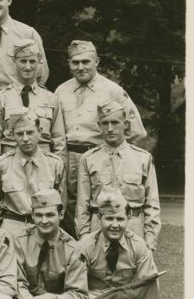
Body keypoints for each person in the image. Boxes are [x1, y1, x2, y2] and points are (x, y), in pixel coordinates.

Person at [56, 41, 148, 231]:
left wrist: (117, 159)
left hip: (99, 160)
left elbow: (136, 132)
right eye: (75, 62)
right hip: (68, 159)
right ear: (69, 63)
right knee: (70, 210)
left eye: (86, 61)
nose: (80, 67)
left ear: (96, 61)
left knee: (102, 208)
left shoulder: (112, 90)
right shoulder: (60, 91)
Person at [76, 101, 160, 251]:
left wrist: (149, 243)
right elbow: (82, 206)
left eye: (115, 122)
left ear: (126, 124)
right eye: (105, 123)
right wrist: (85, 240)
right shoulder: (88, 159)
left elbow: (152, 205)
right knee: (98, 273)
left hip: (133, 226)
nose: (109, 128)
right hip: (98, 227)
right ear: (99, 125)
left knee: (133, 273)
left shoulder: (143, 158)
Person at [0, 113, 66, 238]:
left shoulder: (55, 164)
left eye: (30, 132)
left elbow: (61, 203)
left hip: (44, 227)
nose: (25, 139)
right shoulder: (1, 164)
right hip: (12, 227)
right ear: (12, 135)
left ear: (40, 132)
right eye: (19, 134)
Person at [0, 39, 65, 156]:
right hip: (11, 165)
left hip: (44, 164)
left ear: (39, 62)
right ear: (14, 61)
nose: (28, 67)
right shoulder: (0, 100)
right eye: (23, 61)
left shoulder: (51, 99)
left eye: (32, 61)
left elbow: (59, 141)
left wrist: (59, 171)